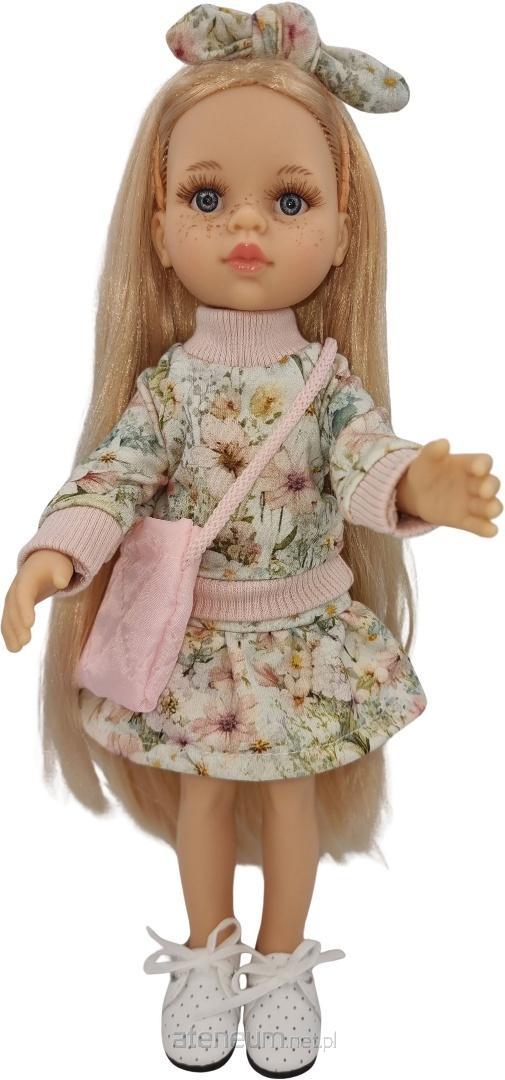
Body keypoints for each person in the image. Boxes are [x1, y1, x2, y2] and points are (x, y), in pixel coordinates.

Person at [2, 4, 502, 1074]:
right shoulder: (167, 389)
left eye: (288, 201)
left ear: (343, 231)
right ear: (157, 229)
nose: (246, 226)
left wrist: (419, 483)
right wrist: (56, 553)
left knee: (289, 802)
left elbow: (362, 454)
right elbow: (115, 474)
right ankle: (207, 951)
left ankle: (281, 959)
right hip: (198, 645)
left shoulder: (321, 381)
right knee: (204, 800)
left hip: (302, 637)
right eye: (205, 197)